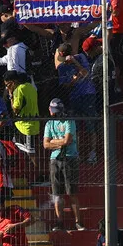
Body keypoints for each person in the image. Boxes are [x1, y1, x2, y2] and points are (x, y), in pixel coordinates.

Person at [42, 99, 84, 231]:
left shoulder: (69, 121)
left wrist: (54, 141)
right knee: (57, 194)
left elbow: (67, 140)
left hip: (70, 158)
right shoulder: (49, 123)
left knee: (72, 192)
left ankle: (78, 222)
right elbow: (45, 144)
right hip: (55, 160)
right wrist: (60, 142)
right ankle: (59, 222)